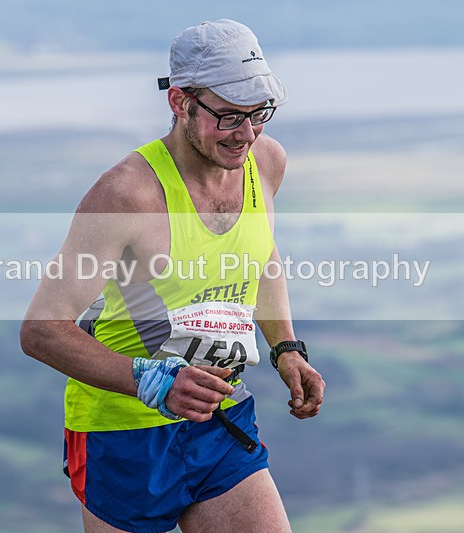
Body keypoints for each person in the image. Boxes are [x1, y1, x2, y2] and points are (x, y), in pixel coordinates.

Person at [21, 19, 325, 533]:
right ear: (180, 102)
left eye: (259, 115)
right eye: (229, 117)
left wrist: (285, 347)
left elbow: (261, 256)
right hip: (124, 432)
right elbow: (41, 330)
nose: (246, 135)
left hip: (218, 415)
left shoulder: (265, 162)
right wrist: (153, 382)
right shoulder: (126, 196)